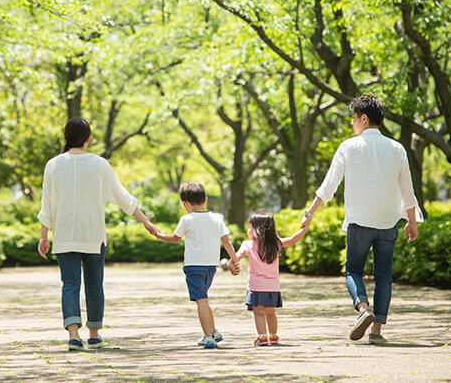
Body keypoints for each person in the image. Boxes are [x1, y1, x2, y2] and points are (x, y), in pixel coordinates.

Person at [301, 94, 422, 344]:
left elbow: (329, 186)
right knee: (384, 277)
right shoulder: (397, 148)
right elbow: (407, 189)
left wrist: (309, 213)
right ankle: (376, 332)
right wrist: (411, 220)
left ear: (364, 118)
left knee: (353, 271)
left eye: (353, 118)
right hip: (388, 223)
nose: (351, 123)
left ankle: (363, 309)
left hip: (359, 222)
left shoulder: (349, 146)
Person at [37, 117, 158, 351]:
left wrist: (44, 236)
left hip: (64, 236)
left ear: (65, 138)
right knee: (95, 285)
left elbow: (47, 205)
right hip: (93, 235)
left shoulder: (52, 165)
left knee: (69, 285)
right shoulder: (99, 164)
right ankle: (93, 334)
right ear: (88, 139)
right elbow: (123, 198)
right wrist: (146, 222)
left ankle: (73, 335)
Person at [154, 182, 240, 348]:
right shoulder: (217, 219)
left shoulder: (186, 219)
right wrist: (234, 260)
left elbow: (175, 238)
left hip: (194, 266)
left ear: (186, 204)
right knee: (204, 300)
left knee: (201, 300)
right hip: (211, 267)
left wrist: (159, 236)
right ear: (205, 200)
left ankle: (208, 337)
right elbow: (226, 241)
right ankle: (214, 331)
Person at [233, 212, 309, 346]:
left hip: (256, 286)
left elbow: (237, 256)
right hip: (273, 286)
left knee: (258, 312)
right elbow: (293, 239)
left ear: (256, 230)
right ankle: (273, 337)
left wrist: (231, 263)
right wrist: (305, 227)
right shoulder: (276, 243)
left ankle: (262, 338)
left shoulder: (248, 244)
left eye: (250, 227)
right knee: (270, 313)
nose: (248, 230)